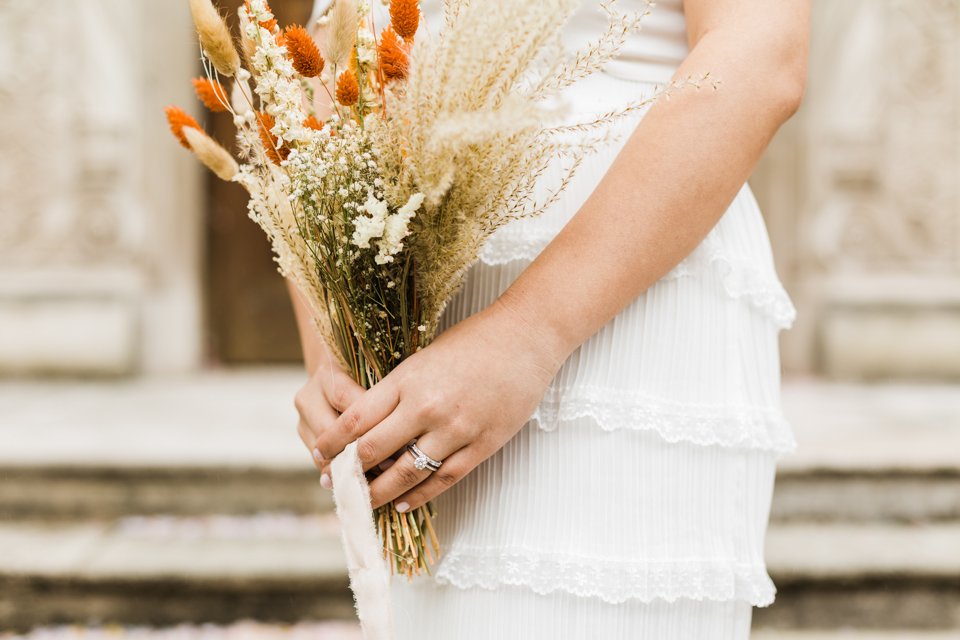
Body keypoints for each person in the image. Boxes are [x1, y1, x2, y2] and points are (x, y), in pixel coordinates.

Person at [291, 0, 809, 637]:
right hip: (412, 329)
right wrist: (336, 345)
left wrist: (528, 333)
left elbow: (761, 52)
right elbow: (319, 68)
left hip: (622, 301)